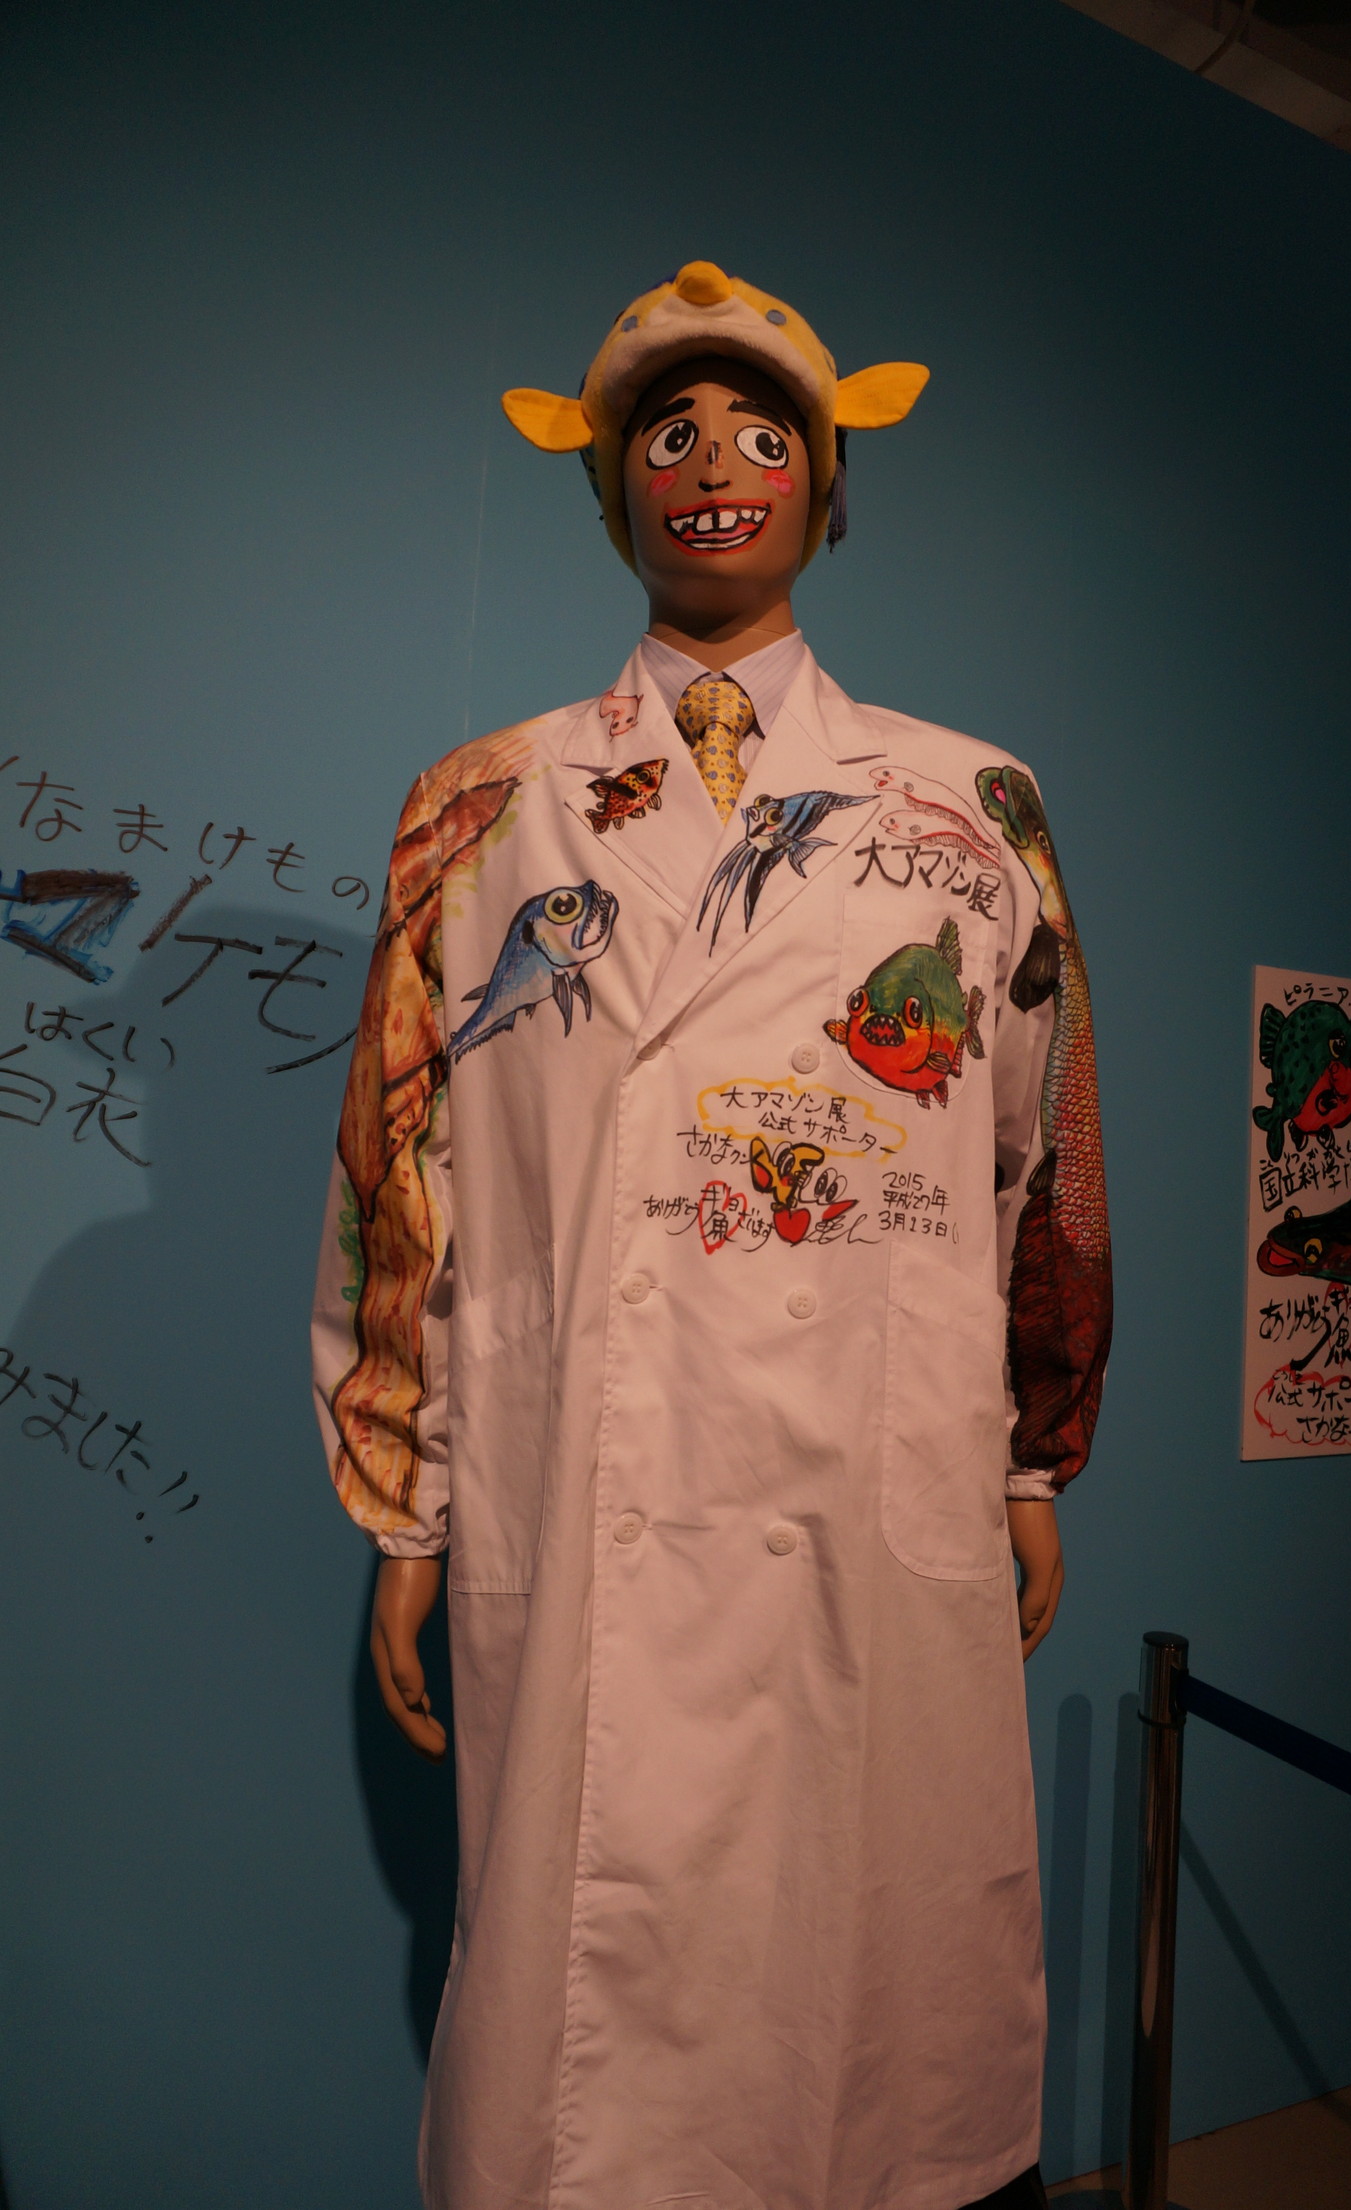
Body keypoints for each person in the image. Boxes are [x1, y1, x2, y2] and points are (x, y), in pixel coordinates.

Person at [312, 260, 1112, 2210]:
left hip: (871, 1464)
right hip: (591, 1475)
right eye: (667, 433)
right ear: (610, 491)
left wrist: (1029, 1449)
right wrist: (407, 1501)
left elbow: (1041, 1158)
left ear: (832, 485)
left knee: (873, 2014)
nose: (715, 465)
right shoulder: (480, 803)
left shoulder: (971, 802)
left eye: (765, 431)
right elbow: (396, 1176)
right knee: (600, 2063)